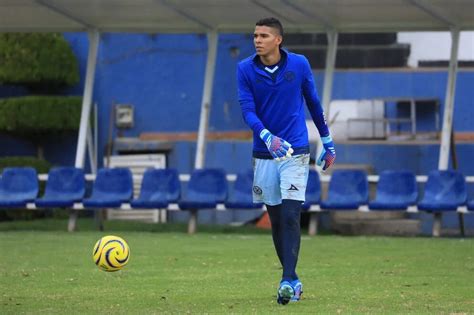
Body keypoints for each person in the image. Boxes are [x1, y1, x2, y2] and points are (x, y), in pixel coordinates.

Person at [237, 17, 336, 305]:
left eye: (264, 35)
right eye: (255, 35)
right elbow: (247, 110)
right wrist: (267, 136)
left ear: (278, 40)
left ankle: (287, 281)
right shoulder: (244, 69)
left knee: (292, 215)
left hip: (295, 150)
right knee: (277, 220)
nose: (257, 40)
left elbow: (314, 103)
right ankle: (292, 277)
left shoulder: (299, 64)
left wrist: (327, 141)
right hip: (264, 153)